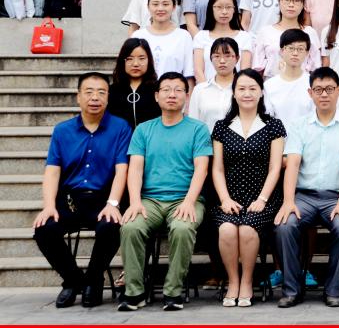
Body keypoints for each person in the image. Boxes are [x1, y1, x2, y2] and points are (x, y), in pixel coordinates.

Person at [33, 73, 132, 308]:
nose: (94, 97)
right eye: (88, 92)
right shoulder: (62, 131)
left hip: (104, 199)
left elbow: (122, 169)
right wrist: (49, 206)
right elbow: (52, 171)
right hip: (70, 201)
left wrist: (113, 203)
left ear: (108, 98)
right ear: (78, 97)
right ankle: (74, 280)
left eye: (101, 92)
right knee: (44, 229)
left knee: (111, 226)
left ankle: (94, 280)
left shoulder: (120, 127)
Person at [118, 72, 213, 311]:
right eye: (166, 90)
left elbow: (201, 169)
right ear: (156, 96)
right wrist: (135, 202)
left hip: (185, 199)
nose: (172, 94)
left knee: (182, 228)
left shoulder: (198, 129)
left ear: (186, 97)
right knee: (130, 227)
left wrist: (189, 202)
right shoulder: (143, 130)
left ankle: (173, 291)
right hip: (149, 200)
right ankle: (134, 292)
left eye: (178, 90)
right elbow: (135, 169)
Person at [274, 67, 339, 308]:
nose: (324, 94)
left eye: (330, 89)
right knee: (284, 225)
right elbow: (292, 164)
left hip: (336, 196)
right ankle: (292, 289)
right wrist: (288, 201)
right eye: (319, 89)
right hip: (304, 196)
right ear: (310, 93)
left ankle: (333, 287)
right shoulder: (299, 125)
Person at [211, 69, 286, 307]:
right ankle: (233, 281)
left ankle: (247, 281)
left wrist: (262, 199)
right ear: (234, 93)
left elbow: (275, 168)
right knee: (226, 229)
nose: (247, 93)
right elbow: (217, 169)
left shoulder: (273, 126)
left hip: (263, 198)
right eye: (241, 88)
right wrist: (224, 199)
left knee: (247, 229)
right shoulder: (222, 127)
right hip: (230, 198)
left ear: (261, 92)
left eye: (252, 88)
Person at [251, 0, 321, 78]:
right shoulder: (265, 32)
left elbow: (316, 67)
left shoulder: (309, 32)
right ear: (279, 2)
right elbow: (257, 67)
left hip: (302, 83)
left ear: (302, 5)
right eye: (287, 0)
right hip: (271, 83)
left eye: (296, 0)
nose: (291, 5)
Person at [192, 0, 253, 83]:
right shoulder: (201, 37)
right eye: (219, 7)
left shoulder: (244, 37)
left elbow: (244, 71)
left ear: (234, 9)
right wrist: (207, 89)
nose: (224, 12)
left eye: (228, 7)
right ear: (211, 8)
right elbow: (198, 71)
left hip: (235, 89)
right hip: (207, 89)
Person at [134, 0, 195, 80]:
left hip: (173, 88)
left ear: (174, 7)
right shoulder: (138, 36)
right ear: (148, 7)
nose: (160, 8)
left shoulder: (183, 36)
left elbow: (189, 73)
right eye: (155, 4)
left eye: (165, 4)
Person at [263, 29, 316, 133]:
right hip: (278, 141)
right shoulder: (269, 85)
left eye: (300, 49)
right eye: (291, 48)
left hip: (307, 139)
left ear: (307, 53)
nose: (295, 53)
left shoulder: (313, 83)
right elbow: (267, 119)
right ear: (281, 51)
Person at [188, 37, 238, 133]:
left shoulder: (243, 89)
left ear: (237, 58)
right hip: (206, 141)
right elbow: (193, 123)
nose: (222, 61)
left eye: (227, 56)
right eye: (217, 56)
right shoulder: (200, 90)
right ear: (211, 59)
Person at [108, 38, 161, 129]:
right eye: (130, 58)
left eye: (141, 58)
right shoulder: (112, 90)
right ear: (122, 61)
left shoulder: (158, 89)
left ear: (149, 60)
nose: (135, 64)